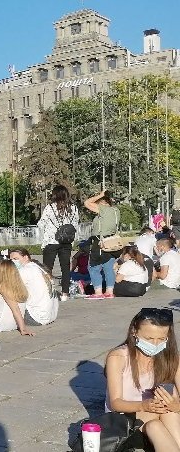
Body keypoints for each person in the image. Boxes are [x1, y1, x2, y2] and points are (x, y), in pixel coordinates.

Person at [104, 308, 180, 452]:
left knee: (159, 422)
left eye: (162, 339)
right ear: (134, 332)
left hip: (157, 419)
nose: (156, 344)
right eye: (149, 339)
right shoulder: (118, 357)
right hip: (124, 419)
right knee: (165, 413)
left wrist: (177, 406)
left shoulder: (172, 358)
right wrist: (144, 405)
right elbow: (116, 403)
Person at [37, 185, 79, 301]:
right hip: (67, 241)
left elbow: (41, 223)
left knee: (47, 268)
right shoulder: (74, 208)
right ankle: (65, 293)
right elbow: (75, 224)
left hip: (51, 241)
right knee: (65, 268)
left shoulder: (50, 207)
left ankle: (48, 292)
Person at [84, 190, 121, 298]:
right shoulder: (116, 210)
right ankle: (109, 291)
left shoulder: (103, 209)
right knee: (108, 267)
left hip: (101, 243)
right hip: (112, 242)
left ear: (102, 203)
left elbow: (87, 203)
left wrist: (100, 195)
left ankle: (98, 292)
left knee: (93, 267)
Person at [8, 248, 59, 327]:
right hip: (50, 315)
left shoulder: (26, 270)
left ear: (26, 257)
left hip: (35, 317)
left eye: (16, 259)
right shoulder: (37, 267)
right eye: (11, 260)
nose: (13, 262)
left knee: (6, 296)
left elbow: (7, 285)